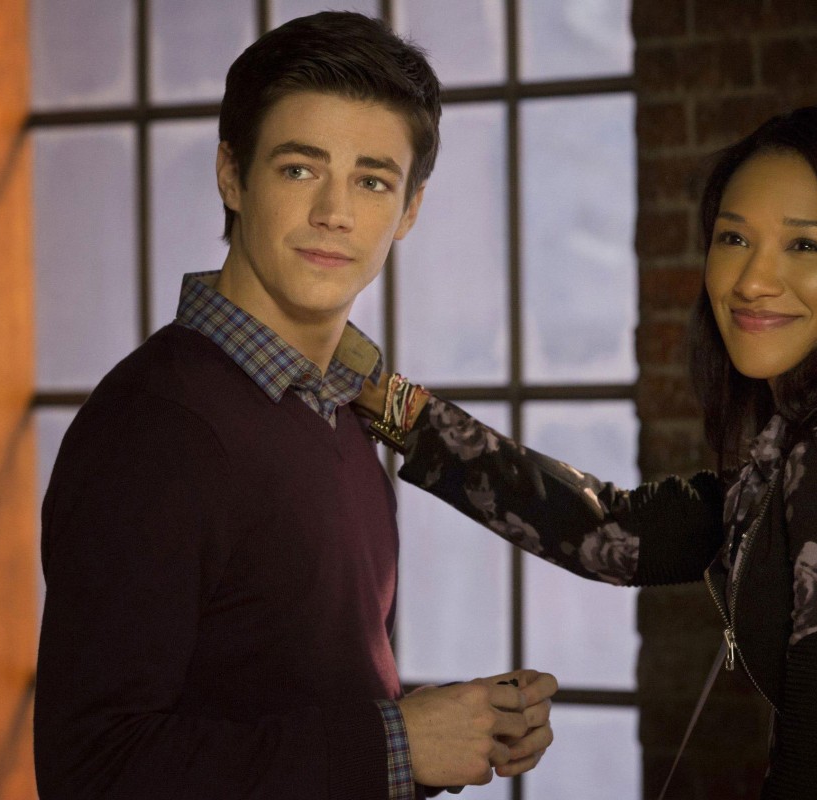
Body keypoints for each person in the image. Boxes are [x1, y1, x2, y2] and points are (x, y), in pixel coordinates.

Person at [355, 103, 817, 799]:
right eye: (733, 238)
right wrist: (395, 409)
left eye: (804, 246)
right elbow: (612, 532)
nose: (751, 280)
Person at [34, 12, 556, 799]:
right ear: (231, 175)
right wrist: (398, 746)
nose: (334, 212)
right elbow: (92, 772)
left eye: (372, 181)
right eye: (300, 168)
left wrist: (445, 729)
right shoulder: (154, 428)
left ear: (409, 210)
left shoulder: (339, 411)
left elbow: (295, 701)